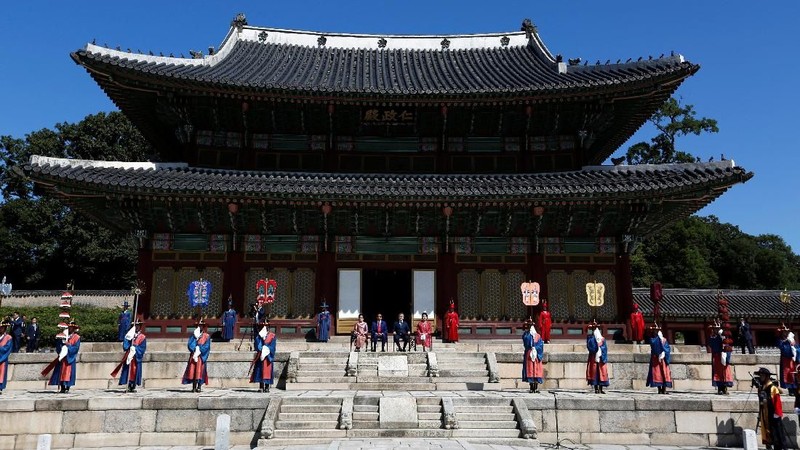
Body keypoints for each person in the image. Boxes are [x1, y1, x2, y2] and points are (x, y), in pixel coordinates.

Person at [756, 367, 786, 450]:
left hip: (773, 413)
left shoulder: (772, 388)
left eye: (762, 375)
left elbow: (777, 401)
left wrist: (777, 413)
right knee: (768, 431)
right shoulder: (762, 387)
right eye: (760, 375)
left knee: (777, 432)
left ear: (767, 376)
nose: (761, 377)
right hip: (765, 412)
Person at [47, 319, 81, 393]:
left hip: (70, 357)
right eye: (69, 327)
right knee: (61, 372)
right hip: (63, 357)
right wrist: (60, 346)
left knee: (69, 373)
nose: (70, 329)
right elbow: (59, 345)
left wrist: (69, 346)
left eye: (71, 328)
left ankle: (67, 387)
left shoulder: (76, 337)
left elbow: (76, 347)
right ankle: (62, 387)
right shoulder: (63, 335)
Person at [115, 317, 146, 393]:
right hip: (129, 355)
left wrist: (135, 348)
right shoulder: (130, 335)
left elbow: (142, 348)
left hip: (136, 356)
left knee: (134, 371)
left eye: (138, 325)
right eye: (136, 325)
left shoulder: (142, 337)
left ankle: (133, 385)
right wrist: (129, 346)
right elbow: (126, 344)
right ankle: (128, 384)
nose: (137, 327)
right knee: (128, 370)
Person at [182, 319, 211, 393]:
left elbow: (207, 346)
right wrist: (195, 348)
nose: (200, 327)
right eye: (199, 325)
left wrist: (200, 348)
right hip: (194, 355)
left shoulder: (206, 336)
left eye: (201, 325)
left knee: (200, 371)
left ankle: (199, 386)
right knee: (193, 371)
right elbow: (190, 344)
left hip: (201, 356)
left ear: (203, 327)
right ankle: (193, 386)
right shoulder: (194, 335)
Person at [251, 319, 277, 393]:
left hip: (268, 356)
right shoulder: (259, 336)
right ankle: (261, 386)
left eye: (266, 326)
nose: (265, 327)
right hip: (261, 356)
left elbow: (273, 346)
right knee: (260, 370)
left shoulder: (272, 336)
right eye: (263, 326)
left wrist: (267, 349)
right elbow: (257, 345)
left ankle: (267, 386)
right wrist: (261, 348)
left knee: (267, 371)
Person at [646, 325, 672, 394]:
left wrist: (663, 353)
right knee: (657, 373)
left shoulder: (664, 340)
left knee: (664, 373)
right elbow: (655, 347)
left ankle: (663, 389)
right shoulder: (653, 340)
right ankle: (660, 389)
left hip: (662, 359)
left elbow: (667, 348)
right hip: (656, 359)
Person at [708, 324, 733, 395]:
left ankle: (725, 388)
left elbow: (728, 346)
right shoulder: (713, 337)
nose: (716, 330)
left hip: (724, 356)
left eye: (717, 328)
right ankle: (720, 389)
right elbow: (711, 345)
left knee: (725, 372)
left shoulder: (725, 337)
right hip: (717, 357)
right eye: (715, 328)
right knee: (718, 373)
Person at [522, 320, 544, 393]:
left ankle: (536, 387)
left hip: (536, 354)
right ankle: (531, 387)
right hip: (529, 354)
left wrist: (535, 348)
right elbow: (526, 343)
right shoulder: (526, 335)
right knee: (530, 370)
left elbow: (541, 344)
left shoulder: (538, 336)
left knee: (537, 370)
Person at [586, 324, 609, 394]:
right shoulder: (590, 339)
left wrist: (601, 351)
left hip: (601, 358)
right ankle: (596, 388)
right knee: (594, 373)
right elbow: (590, 347)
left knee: (602, 373)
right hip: (593, 358)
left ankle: (600, 388)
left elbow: (605, 348)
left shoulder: (602, 339)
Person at [778, 330, 798, 395]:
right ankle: (790, 390)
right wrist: (787, 342)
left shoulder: (792, 339)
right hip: (785, 360)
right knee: (788, 375)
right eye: (784, 332)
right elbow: (782, 348)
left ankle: (795, 388)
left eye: (787, 332)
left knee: (794, 374)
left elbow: (796, 348)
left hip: (793, 360)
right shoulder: (781, 341)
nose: (786, 333)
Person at [0, 319, 12, 394]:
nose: (1, 329)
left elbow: (7, 348)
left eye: (2, 328)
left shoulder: (8, 337)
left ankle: (0, 387)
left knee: (1, 373)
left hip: (2, 358)